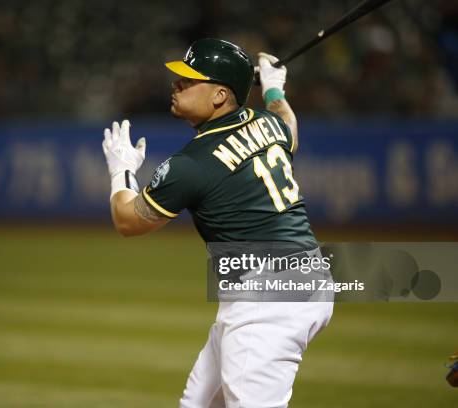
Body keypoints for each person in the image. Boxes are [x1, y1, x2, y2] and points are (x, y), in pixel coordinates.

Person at [102, 38, 333, 408]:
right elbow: (288, 122)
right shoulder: (269, 123)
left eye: (190, 80)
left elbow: (128, 221)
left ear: (220, 95)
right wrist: (274, 87)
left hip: (267, 299)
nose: (177, 84)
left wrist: (122, 172)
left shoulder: (192, 164)